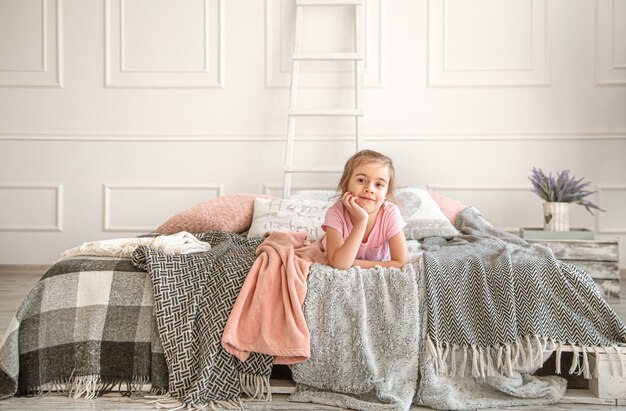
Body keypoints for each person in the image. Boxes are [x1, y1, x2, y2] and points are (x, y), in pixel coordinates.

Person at [322, 149, 408, 269]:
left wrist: (353, 263)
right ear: (345, 184)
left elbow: (401, 262)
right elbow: (339, 264)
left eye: (379, 185)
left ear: (386, 194)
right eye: (361, 180)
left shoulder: (390, 213)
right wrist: (361, 221)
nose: (370, 189)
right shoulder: (335, 213)